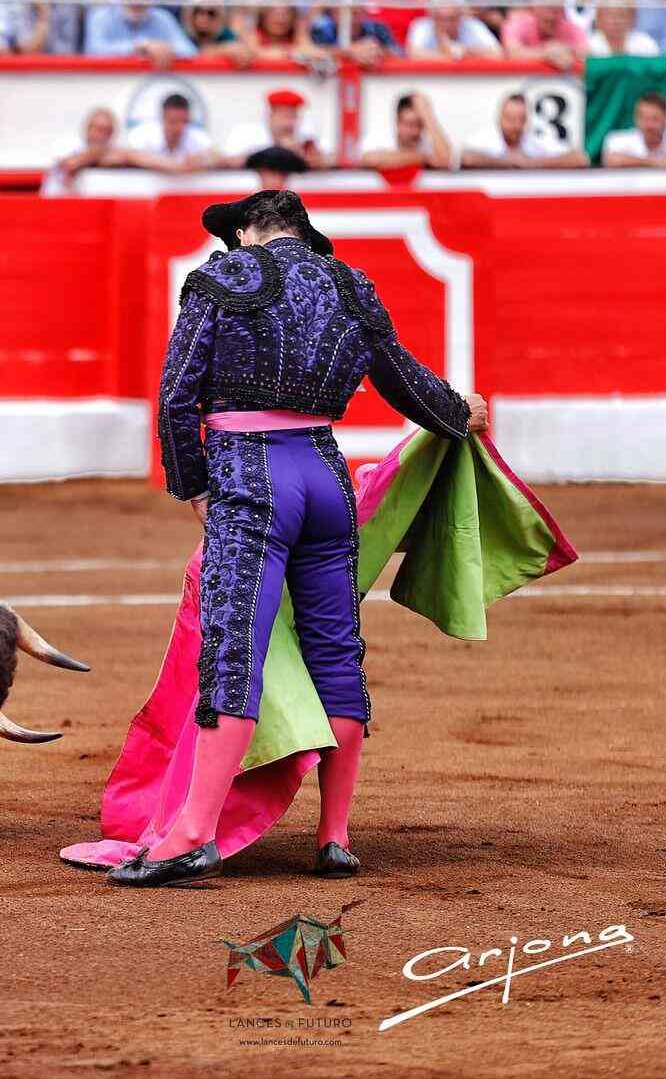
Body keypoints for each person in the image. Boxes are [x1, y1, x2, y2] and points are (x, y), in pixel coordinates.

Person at [109, 189, 488, 887]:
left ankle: (192, 834)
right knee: (337, 651)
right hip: (325, 475)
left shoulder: (223, 276)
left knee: (234, 651)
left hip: (251, 478)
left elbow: (176, 396)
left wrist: (194, 484)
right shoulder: (350, 284)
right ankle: (334, 834)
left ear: (248, 232)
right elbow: (406, 383)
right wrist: (459, 413)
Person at [83, 0, 196, 64]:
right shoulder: (101, 16)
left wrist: (165, 49)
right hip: (110, 81)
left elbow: (189, 51)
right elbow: (93, 51)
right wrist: (139, 47)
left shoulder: (163, 18)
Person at [459, 92, 589, 168]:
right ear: (499, 118)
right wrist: (508, 162)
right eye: (510, 119)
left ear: (527, 120)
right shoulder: (486, 138)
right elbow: (466, 158)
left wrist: (533, 163)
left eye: (521, 119)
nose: (515, 125)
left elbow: (580, 158)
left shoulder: (535, 139)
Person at [220, 88, 325, 168]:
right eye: (285, 116)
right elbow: (227, 161)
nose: (289, 123)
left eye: (294, 116)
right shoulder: (246, 133)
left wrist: (307, 158)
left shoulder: (306, 137)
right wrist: (279, 151)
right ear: (271, 116)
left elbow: (326, 160)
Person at [502, 0, 589, 69]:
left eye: (557, 5)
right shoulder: (517, 24)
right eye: (547, 5)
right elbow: (512, 53)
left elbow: (586, 54)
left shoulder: (571, 28)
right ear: (533, 6)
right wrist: (546, 53)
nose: (552, 12)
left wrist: (567, 51)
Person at [359, 92, 455, 170]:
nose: (415, 131)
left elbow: (446, 160)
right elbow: (370, 159)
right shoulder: (380, 136)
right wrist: (424, 158)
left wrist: (428, 115)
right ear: (397, 121)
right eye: (410, 124)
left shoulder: (428, 141)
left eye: (420, 124)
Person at [124, 92, 213, 172]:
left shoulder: (196, 136)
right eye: (173, 122)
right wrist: (172, 165)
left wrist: (201, 160)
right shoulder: (143, 134)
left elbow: (216, 156)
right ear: (162, 119)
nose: (180, 128)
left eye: (185, 122)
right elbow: (128, 155)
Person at [407, 0, 503, 58]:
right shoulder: (422, 26)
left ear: (461, 16)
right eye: (441, 19)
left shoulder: (473, 25)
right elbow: (413, 54)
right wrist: (451, 55)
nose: (446, 24)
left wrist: (466, 51)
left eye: (452, 18)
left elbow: (497, 54)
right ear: (432, 17)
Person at [601, 92, 666, 166]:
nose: (649, 125)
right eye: (644, 119)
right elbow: (611, 160)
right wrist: (656, 162)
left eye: (655, 119)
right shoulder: (618, 139)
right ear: (636, 119)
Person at [182, 0, 251, 65]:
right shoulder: (183, 34)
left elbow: (243, 51)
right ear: (191, 13)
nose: (205, 17)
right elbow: (192, 53)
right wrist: (223, 49)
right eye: (199, 11)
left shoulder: (225, 34)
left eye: (211, 13)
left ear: (219, 16)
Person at [589, 0, 662, 54]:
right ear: (599, 17)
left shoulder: (646, 44)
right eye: (610, 14)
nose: (615, 21)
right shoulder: (589, 46)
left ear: (631, 17)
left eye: (621, 14)